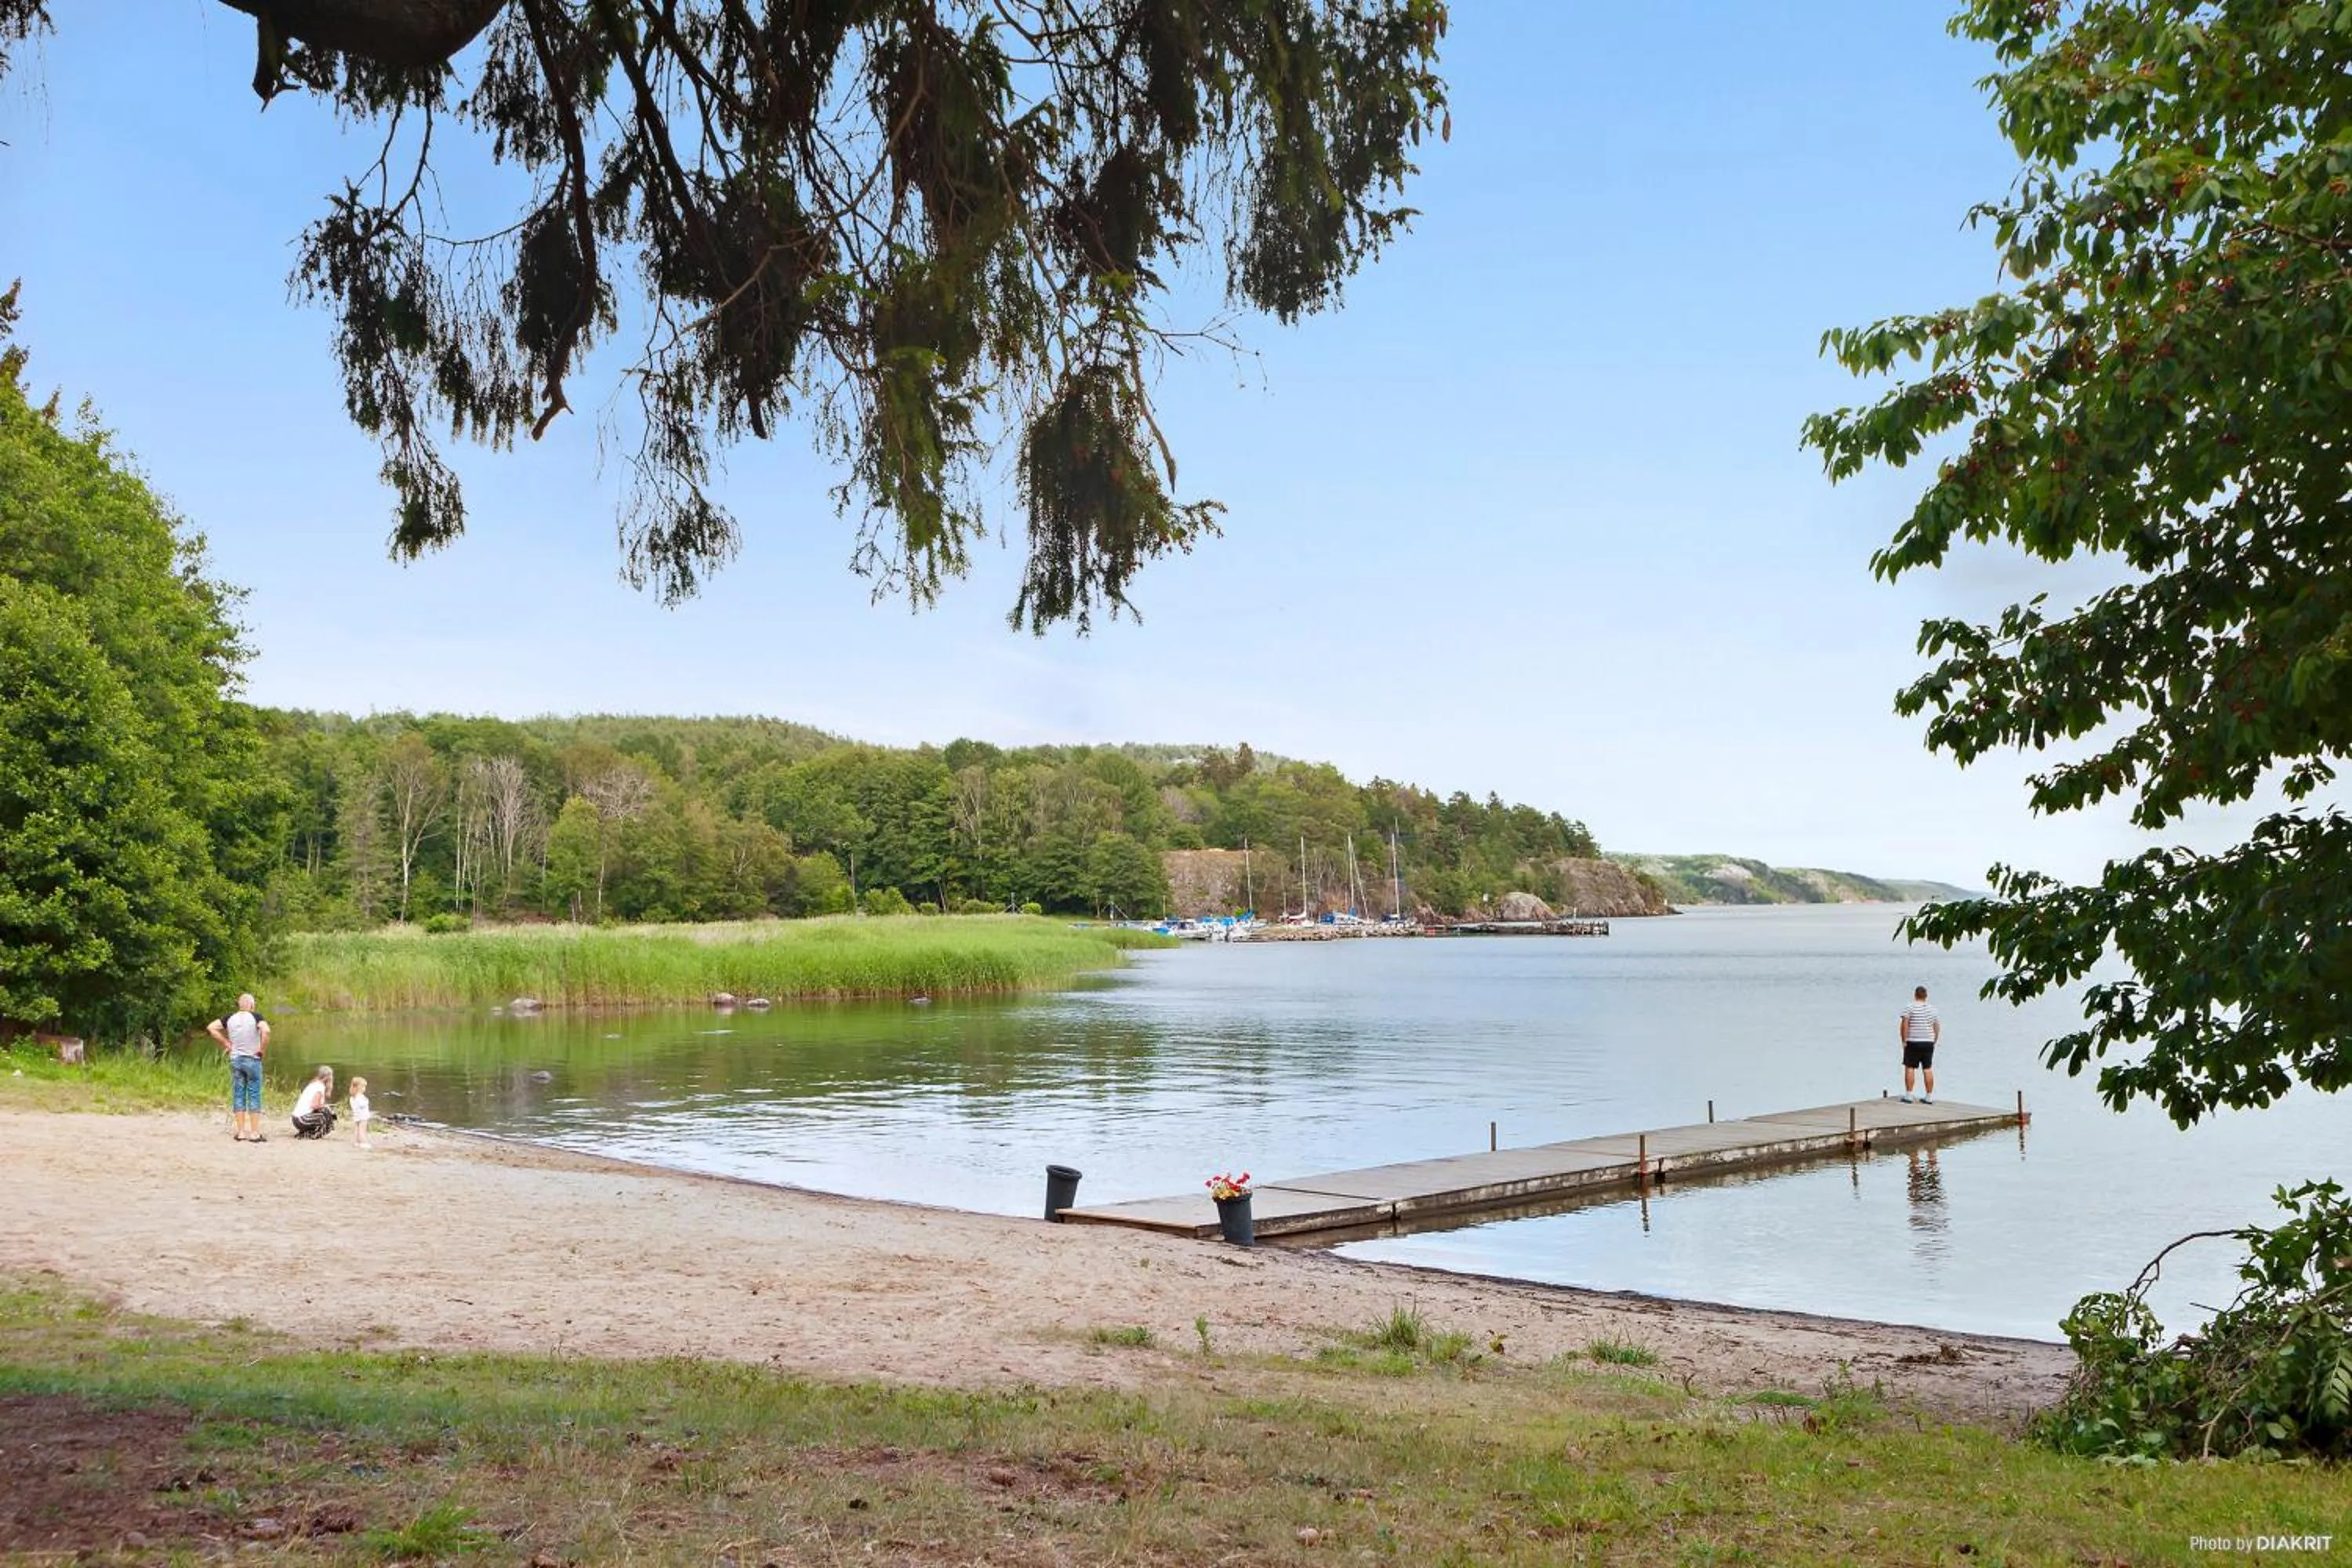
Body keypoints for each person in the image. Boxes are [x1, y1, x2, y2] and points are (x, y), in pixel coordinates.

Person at [206, 993, 271, 1142]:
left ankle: (241, 1132)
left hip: (236, 1060)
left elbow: (211, 1028)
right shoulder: (256, 1017)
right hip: (252, 1060)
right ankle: (254, 1133)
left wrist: (226, 1043)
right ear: (252, 1005)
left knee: (239, 1094)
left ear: (239, 1005)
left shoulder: (230, 1018)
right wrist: (262, 1049)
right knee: (254, 1094)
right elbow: (266, 1031)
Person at [1897, 985, 1940, 1103]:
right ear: (1926, 996)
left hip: (1913, 1041)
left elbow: (1904, 1024)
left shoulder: (1909, 1007)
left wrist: (1904, 1040)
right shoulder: (1933, 1010)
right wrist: (1934, 1040)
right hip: (1928, 1042)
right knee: (1927, 1069)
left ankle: (1909, 1095)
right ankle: (1929, 1096)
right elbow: (1936, 1026)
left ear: (1915, 995)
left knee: (1910, 1067)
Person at [290, 1065, 336, 1139]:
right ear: (327, 1078)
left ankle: (306, 1132)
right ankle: (310, 1135)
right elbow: (314, 1105)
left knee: (325, 1110)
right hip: (301, 1120)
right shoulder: (319, 1087)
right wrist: (326, 1106)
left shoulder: (314, 1084)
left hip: (296, 1119)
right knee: (327, 1112)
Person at [349, 1075, 372, 1149]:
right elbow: (362, 1105)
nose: (364, 1089)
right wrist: (367, 1101)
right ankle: (363, 1142)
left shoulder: (352, 1097)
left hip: (357, 1115)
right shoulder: (359, 1096)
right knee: (362, 1130)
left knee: (357, 1129)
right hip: (363, 1116)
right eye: (363, 1087)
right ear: (358, 1087)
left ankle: (357, 1142)